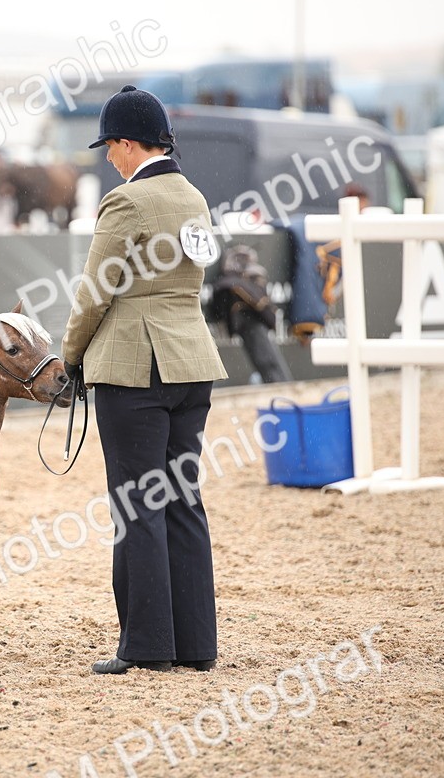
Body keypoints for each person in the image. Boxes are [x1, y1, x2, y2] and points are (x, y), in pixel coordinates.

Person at [62, 85, 227, 675]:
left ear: (130, 143)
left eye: (111, 146)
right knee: (184, 499)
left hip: (135, 371)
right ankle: (196, 644)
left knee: (137, 505)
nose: (109, 157)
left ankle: (147, 645)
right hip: (192, 366)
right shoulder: (193, 197)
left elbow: (93, 293)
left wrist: (70, 356)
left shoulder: (126, 204)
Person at [211, 245, 293, 383]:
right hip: (249, 322)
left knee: (272, 368)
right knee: (270, 367)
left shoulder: (234, 285)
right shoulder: (232, 285)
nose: (259, 283)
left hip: (254, 323)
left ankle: (282, 392)